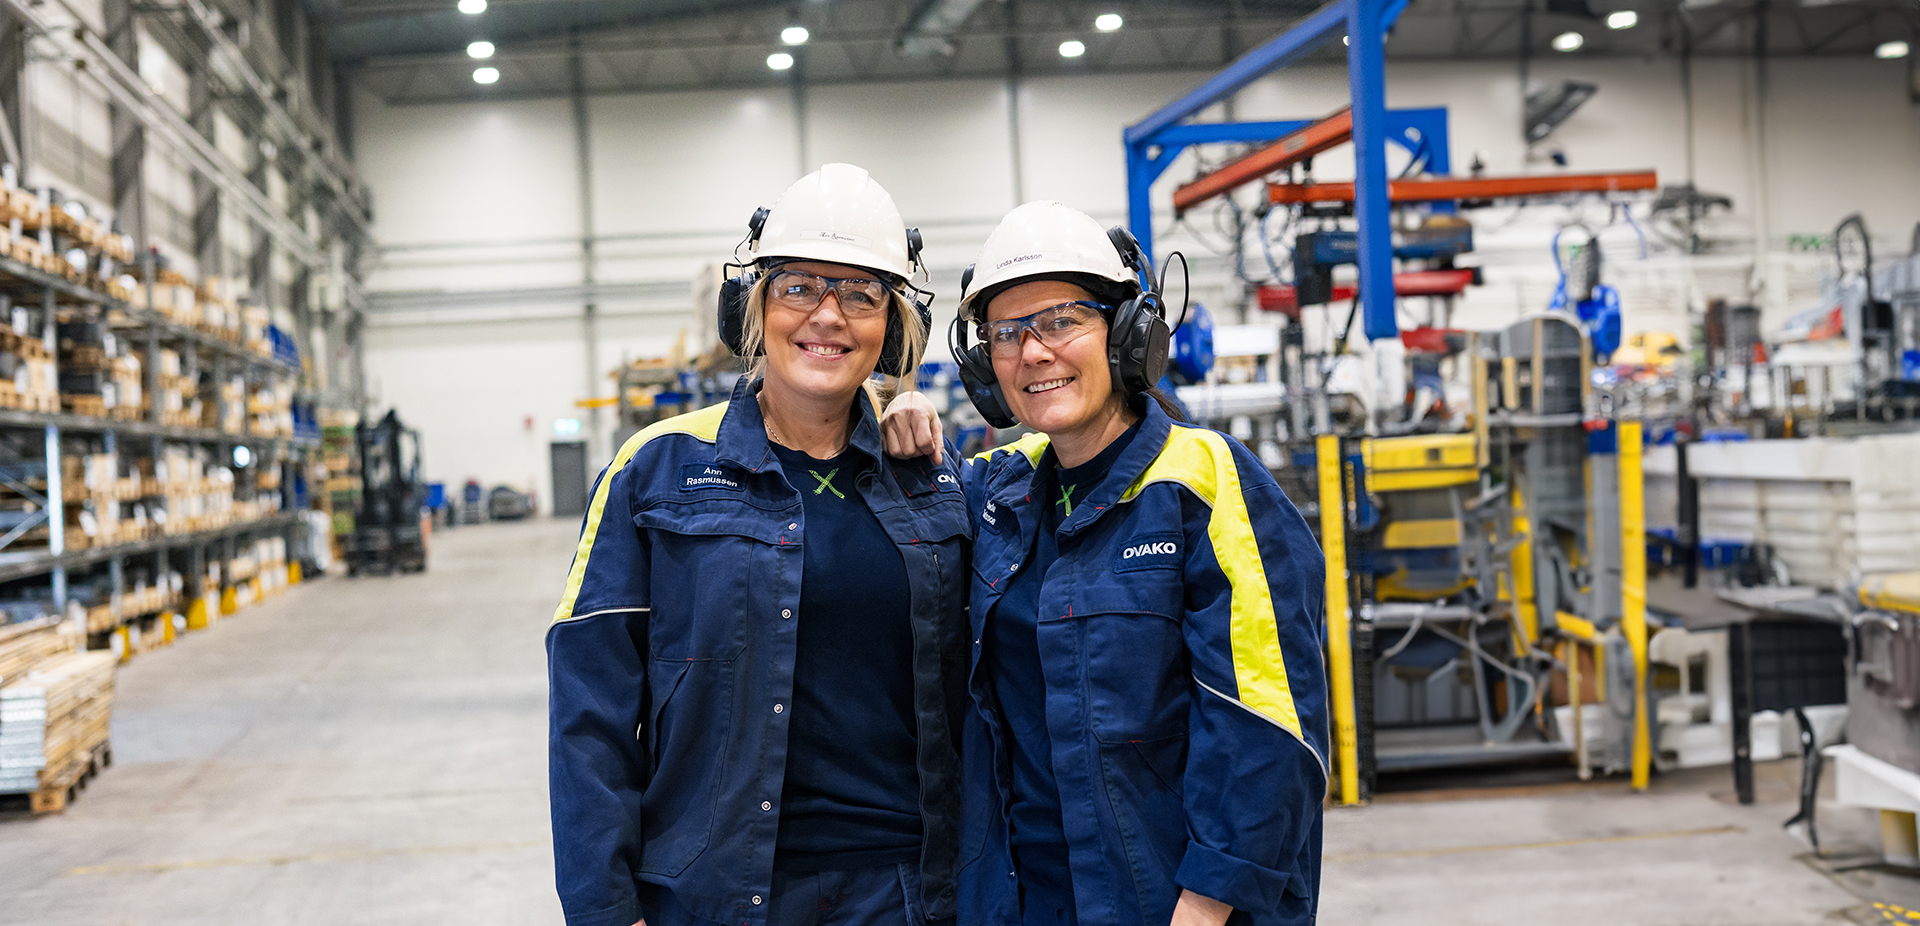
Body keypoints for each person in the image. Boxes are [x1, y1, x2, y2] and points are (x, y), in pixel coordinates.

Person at [881, 201, 1329, 926]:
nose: (1033, 352)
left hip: (1178, 906)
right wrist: (895, 412)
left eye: (1061, 320)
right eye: (1007, 332)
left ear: (1128, 333)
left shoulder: (1206, 483)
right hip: (1025, 903)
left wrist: (1208, 904)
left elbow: (1268, 721)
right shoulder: (1000, 491)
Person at [549, 164, 973, 926]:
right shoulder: (655, 472)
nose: (829, 316)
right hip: (715, 896)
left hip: (905, 895)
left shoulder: (938, 482)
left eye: (860, 293)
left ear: (894, 326)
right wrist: (605, 908)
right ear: (753, 306)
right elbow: (591, 713)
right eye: (800, 287)